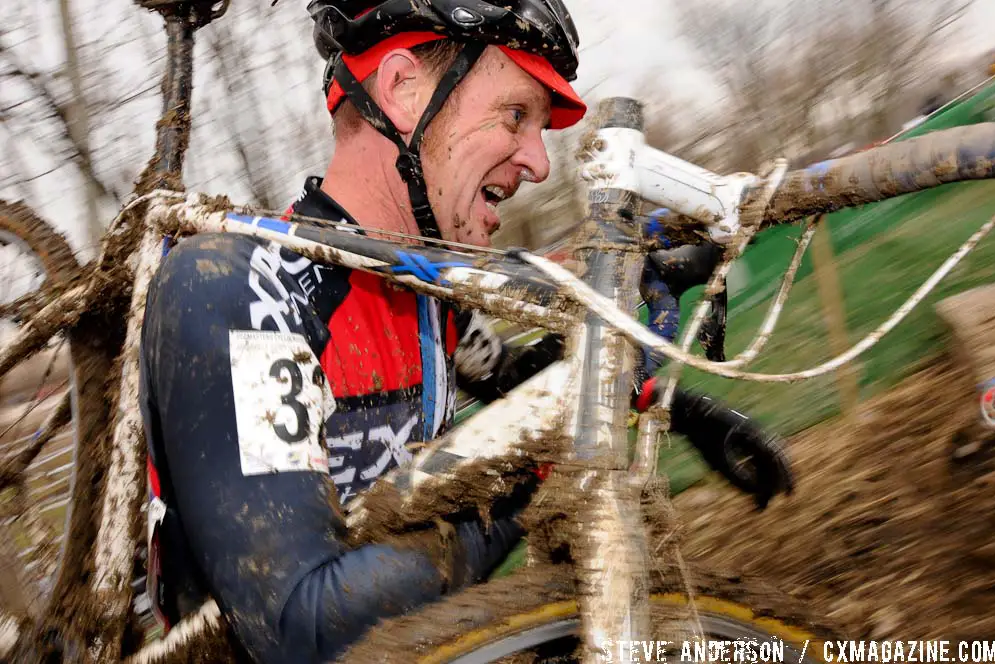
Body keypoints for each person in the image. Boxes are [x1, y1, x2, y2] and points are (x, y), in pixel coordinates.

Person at [138, 2, 792, 661]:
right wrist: (552, 452)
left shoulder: (432, 297)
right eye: (516, 115)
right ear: (401, 88)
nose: (539, 162)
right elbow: (306, 632)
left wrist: (681, 405)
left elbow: (518, 386)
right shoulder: (242, 292)